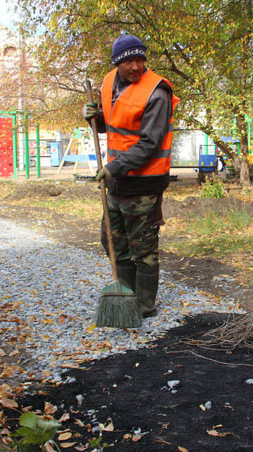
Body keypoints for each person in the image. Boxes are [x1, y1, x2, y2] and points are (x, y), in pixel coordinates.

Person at [83, 34, 179, 318]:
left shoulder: (156, 93)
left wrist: (112, 168)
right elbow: (114, 123)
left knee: (143, 247)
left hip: (144, 183)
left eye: (140, 60)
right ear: (117, 63)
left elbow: (149, 143)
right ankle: (126, 295)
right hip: (118, 180)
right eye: (129, 62)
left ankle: (144, 304)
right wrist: (94, 117)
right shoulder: (110, 82)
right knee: (112, 239)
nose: (136, 67)